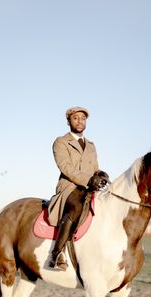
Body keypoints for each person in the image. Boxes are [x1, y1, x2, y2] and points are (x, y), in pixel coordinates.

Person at [48, 106, 109, 270]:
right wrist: (89, 179)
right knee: (76, 205)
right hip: (69, 187)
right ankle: (57, 253)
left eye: (82, 118)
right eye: (75, 118)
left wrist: (101, 174)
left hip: (89, 187)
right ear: (68, 121)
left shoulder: (91, 145)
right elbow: (65, 167)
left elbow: (95, 168)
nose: (79, 121)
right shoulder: (60, 142)